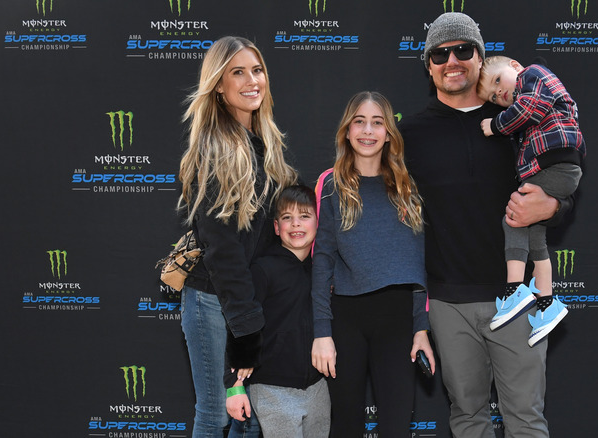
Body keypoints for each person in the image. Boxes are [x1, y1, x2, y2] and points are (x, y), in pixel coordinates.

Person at [399, 12, 574, 438]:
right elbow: (393, 218)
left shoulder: (522, 119)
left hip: (516, 298)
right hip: (447, 302)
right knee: (466, 417)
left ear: (482, 57)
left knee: (527, 421)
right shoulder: (410, 134)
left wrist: (554, 205)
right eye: (440, 54)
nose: (452, 60)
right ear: (428, 66)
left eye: (463, 50)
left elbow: (563, 175)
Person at [177, 35, 297, 438]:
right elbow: (223, 249)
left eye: (257, 69)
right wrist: (246, 328)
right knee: (215, 417)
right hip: (213, 302)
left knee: (251, 420)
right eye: (238, 72)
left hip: (247, 302)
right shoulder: (214, 150)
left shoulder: (264, 146)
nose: (252, 80)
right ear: (219, 85)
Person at [310, 91, 436, 438]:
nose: (368, 131)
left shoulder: (407, 185)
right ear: (347, 131)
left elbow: (417, 262)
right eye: (359, 122)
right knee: (345, 426)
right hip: (345, 318)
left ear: (389, 133)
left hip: (397, 320)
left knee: (396, 427)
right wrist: (322, 333)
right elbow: (322, 260)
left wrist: (420, 328)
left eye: (377, 123)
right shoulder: (330, 184)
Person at [478, 55, 586, 345]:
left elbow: (528, 109)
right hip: (557, 167)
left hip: (557, 165)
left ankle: (515, 290)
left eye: (498, 80)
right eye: (493, 95)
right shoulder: (527, 91)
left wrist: (496, 124)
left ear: (514, 66)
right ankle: (547, 304)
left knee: (513, 217)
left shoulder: (533, 76)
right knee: (535, 234)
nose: (500, 93)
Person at [225, 185, 331, 437]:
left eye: (304, 216)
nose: (296, 225)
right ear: (276, 227)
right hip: (273, 387)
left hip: (318, 388)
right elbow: (242, 325)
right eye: (287, 218)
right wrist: (235, 385)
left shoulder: (323, 269)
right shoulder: (263, 269)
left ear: (318, 222)